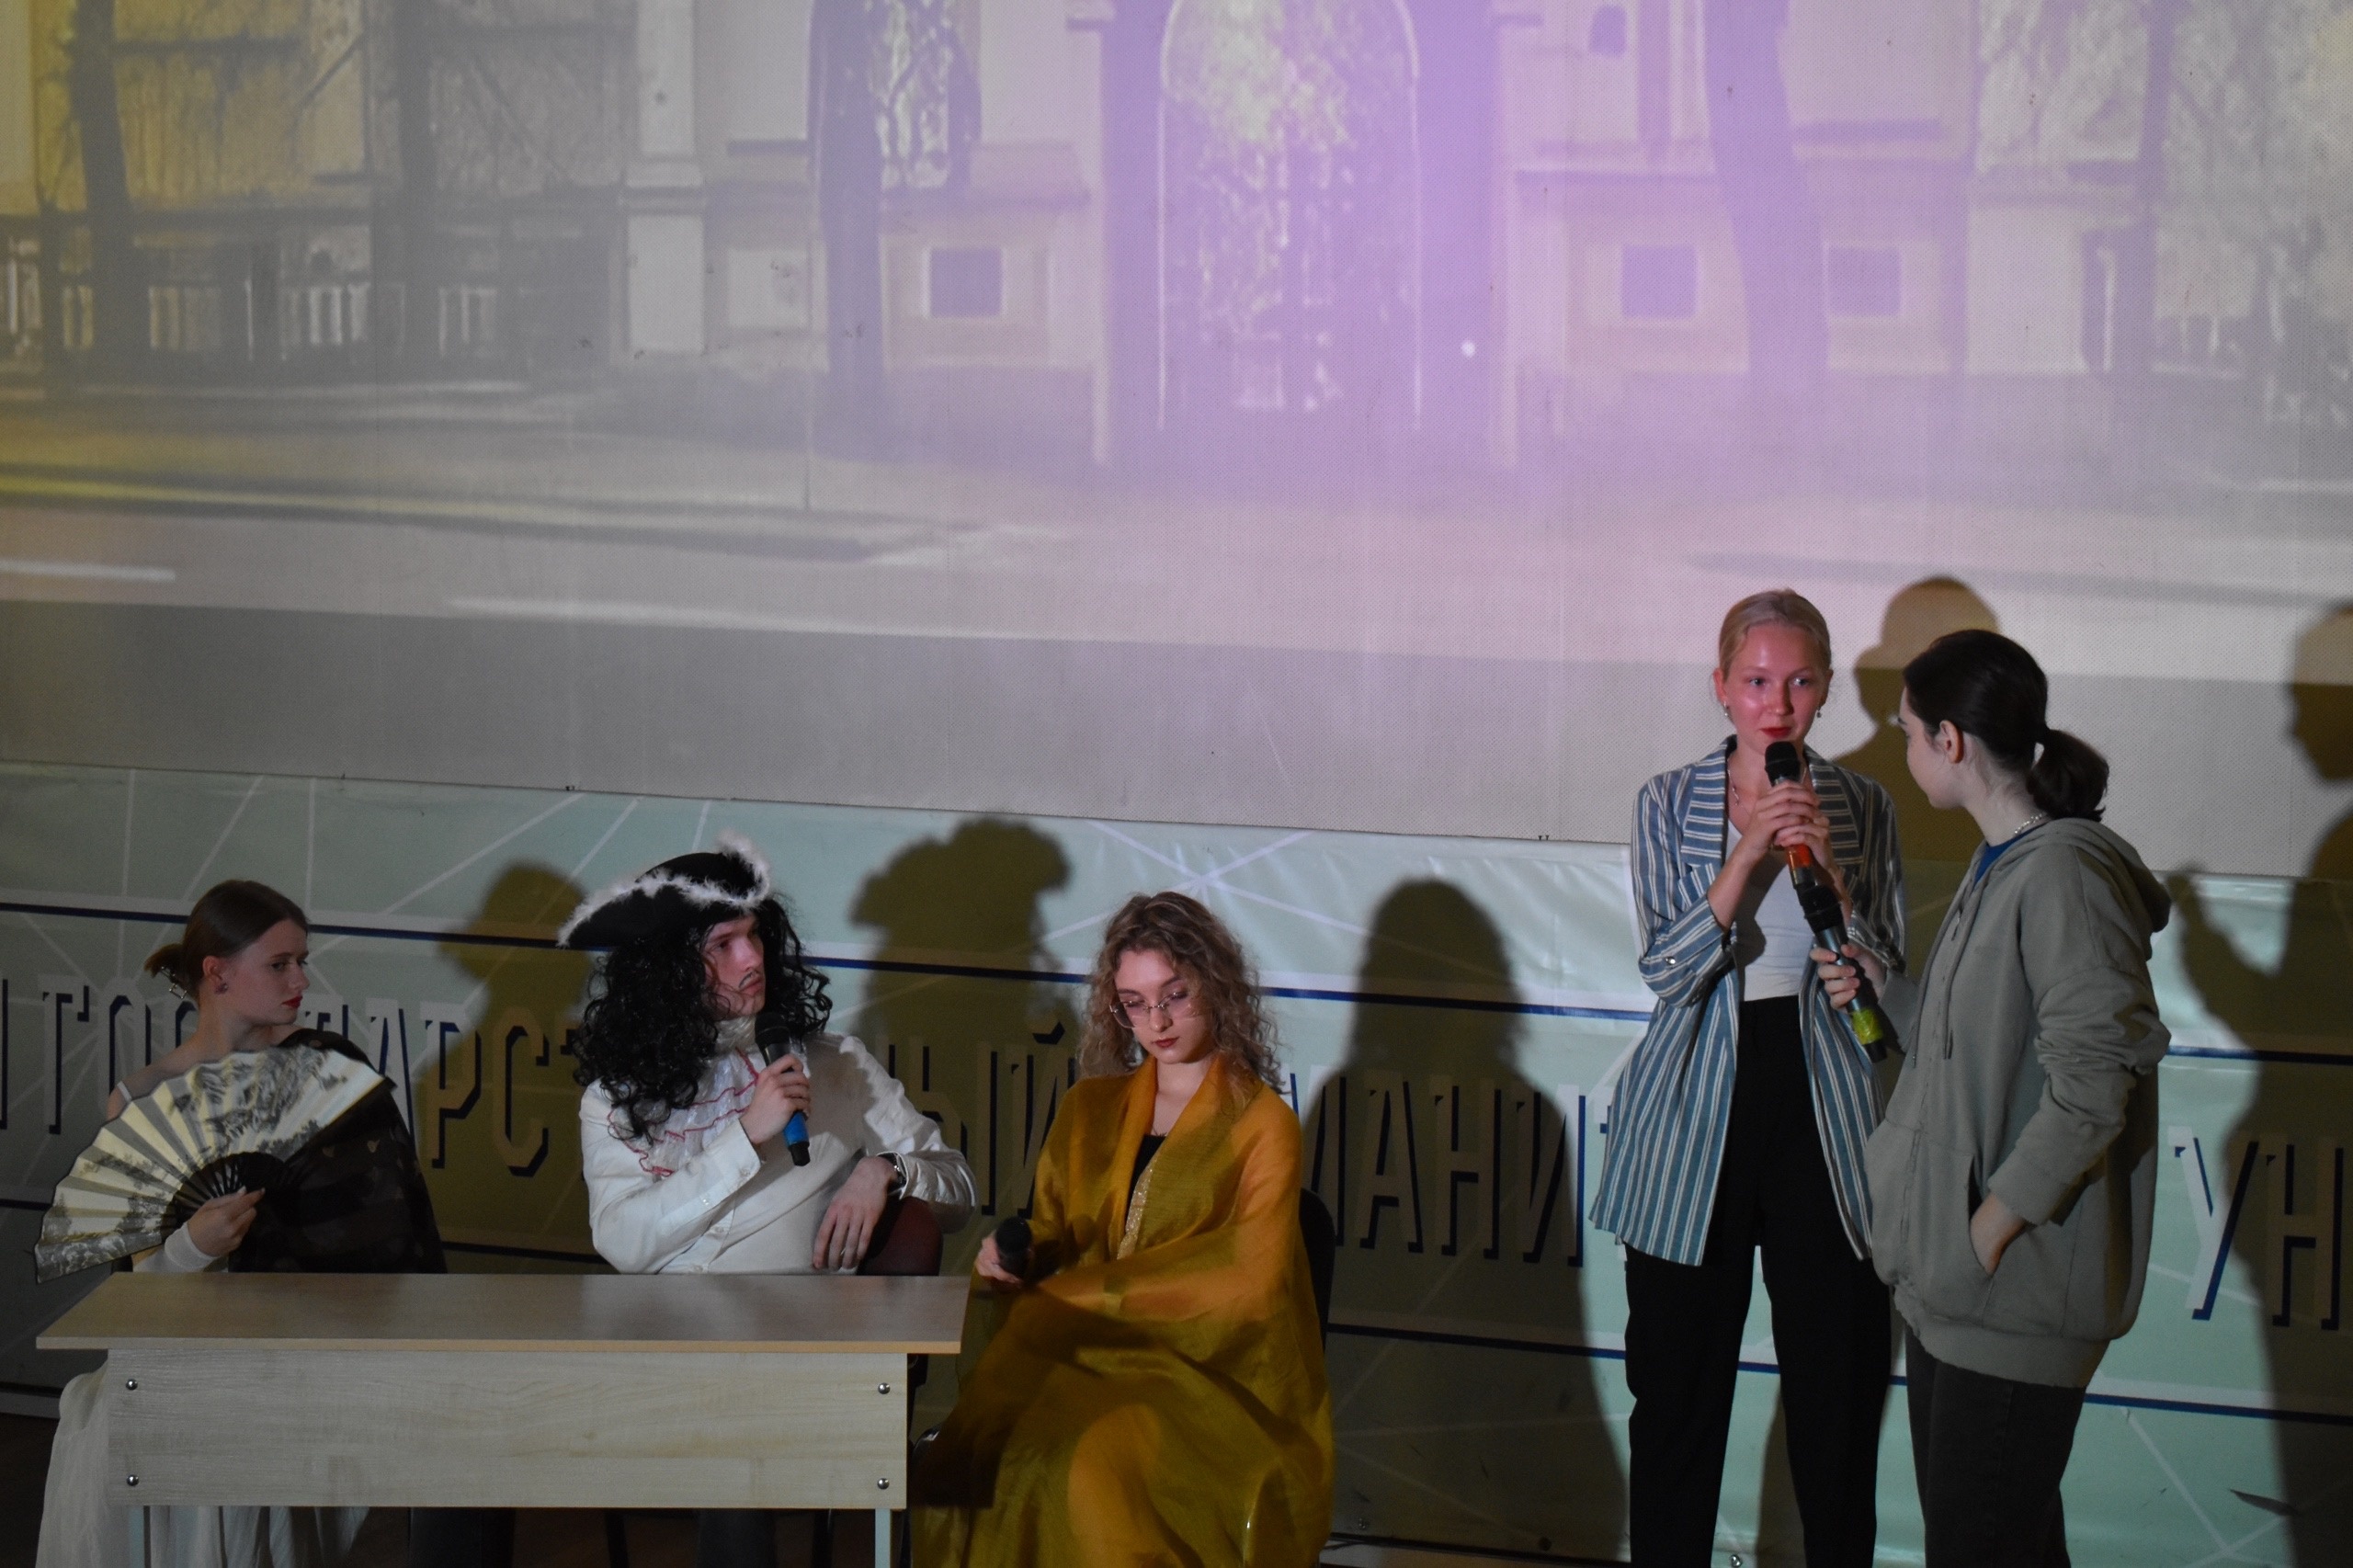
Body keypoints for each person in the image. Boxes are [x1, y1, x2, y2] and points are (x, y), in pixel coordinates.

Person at [1815, 630, 2170, 1568]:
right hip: (1957, 1297)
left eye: (1905, 731)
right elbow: (1980, 1048)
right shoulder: (2002, 864)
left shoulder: (2062, 874)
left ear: (1952, 741)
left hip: (2007, 1300)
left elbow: (2095, 1080)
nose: (1900, 749)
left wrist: (1986, 1230)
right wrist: (1888, 992)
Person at [1589, 589, 1904, 1568]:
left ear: (1827, 689)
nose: (1778, 703)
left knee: (1836, 1396)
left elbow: (1887, 974)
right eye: (1758, 681)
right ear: (1721, 687)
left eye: (1800, 681)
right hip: (1695, 1097)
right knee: (1677, 1394)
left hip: (1822, 1100)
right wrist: (1751, 848)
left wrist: (1841, 900)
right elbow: (1668, 968)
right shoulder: (1666, 800)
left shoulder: (1861, 804)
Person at [563, 835, 976, 1568]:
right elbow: (624, 1243)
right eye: (723, 946)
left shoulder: (836, 1065)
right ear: (667, 970)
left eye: (754, 937)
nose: (751, 959)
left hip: (803, 1360)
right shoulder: (614, 1100)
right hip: (669, 1364)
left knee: (742, 1444)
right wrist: (744, 1138)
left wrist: (885, 1171)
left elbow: (960, 1186)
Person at [912, 892, 1333, 1567]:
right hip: (1078, 1358)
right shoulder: (1089, 1108)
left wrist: (1094, 1296)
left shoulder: (1263, 1125)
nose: (1157, 1022)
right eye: (1134, 1003)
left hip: (1204, 1381)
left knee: (1088, 1468)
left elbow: (1248, 1284)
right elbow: (1057, 1229)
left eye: (1175, 995)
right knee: (975, 1458)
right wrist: (1015, 1257)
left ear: (1215, 984)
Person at [36, 880, 445, 1568]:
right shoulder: (142, 1098)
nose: (301, 981)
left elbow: (393, 1232)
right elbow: (137, 1292)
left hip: (309, 1343)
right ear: (217, 973)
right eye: (280, 964)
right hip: (189, 1347)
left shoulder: (330, 1067)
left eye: (302, 961)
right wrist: (190, 1249)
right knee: (128, 1416)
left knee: (221, 1417)